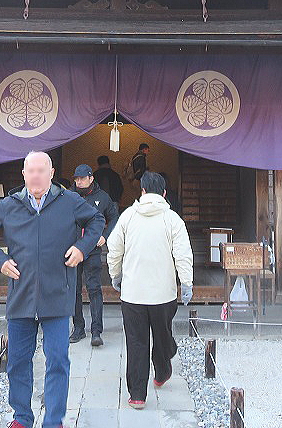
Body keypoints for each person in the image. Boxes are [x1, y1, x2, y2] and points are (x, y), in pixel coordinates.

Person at [0, 151, 105, 428]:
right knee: (18, 361)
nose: (35, 176)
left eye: (41, 170)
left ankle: (54, 421)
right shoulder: (11, 204)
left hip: (57, 294)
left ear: (51, 173)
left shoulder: (69, 201)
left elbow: (97, 221)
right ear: (23, 174)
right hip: (21, 295)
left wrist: (82, 248)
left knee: (57, 360)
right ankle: (22, 418)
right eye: (30, 171)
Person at [107, 171, 193, 410]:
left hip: (133, 293)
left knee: (136, 342)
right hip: (164, 293)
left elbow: (114, 250)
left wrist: (116, 275)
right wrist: (186, 283)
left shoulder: (128, 217)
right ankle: (163, 370)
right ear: (164, 193)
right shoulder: (173, 219)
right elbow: (183, 254)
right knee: (163, 334)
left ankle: (137, 395)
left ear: (142, 191)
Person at [70, 163, 119, 347]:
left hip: (92, 250)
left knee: (94, 289)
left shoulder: (102, 197)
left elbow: (114, 216)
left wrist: (105, 236)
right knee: (73, 290)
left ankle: (96, 330)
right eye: (76, 179)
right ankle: (78, 328)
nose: (79, 182)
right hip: (72, 249)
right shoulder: (69, 195)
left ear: (91, 178)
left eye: (82, 178)